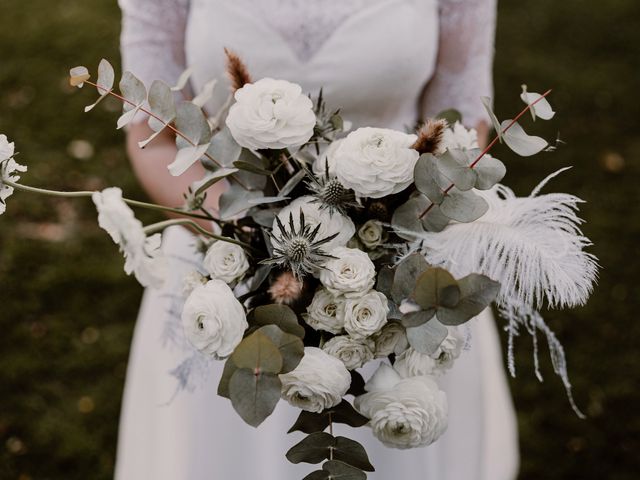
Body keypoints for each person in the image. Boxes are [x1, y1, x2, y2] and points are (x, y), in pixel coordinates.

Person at [115, 0, 519, 478]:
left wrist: (380, 242)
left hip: (401, 266)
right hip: (224, 264)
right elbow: (154, 139)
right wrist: (248, 242)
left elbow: (462, 130)